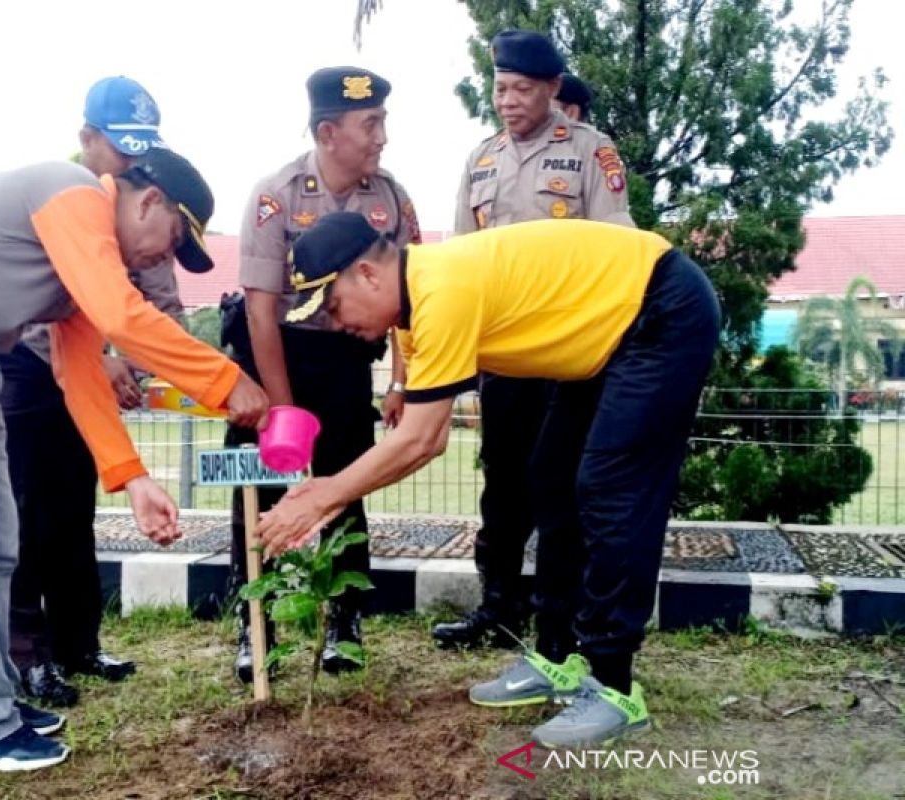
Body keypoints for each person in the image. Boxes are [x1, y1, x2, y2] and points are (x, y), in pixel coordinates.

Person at [0, 147, 267, 772]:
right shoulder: (75, 195)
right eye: (171, 239)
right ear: (148, 201)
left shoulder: (81, 260)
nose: (161, 259)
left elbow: (80, 373)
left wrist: (134, 478)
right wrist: (225, 381)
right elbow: (123, 317)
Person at [257, 212, 720, 748]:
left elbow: (422, 439)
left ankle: (614, 687)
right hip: (607, 340)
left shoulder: (441, 290)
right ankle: (558, 656)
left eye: (333, 306)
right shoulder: (414, 306)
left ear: (367, 274)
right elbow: (420, 433)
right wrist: (329, 492)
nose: (337, 325)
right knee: (550, 479)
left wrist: (324, 495)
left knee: (610, 490)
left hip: (659, 311)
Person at [433, 31, 634, 652]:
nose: (509, 101)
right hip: (504, 355)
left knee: (566, 487)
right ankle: (498, 607)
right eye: (501, 88)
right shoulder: (482, 159)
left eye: (523, 89)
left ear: (552, 89)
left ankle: (565, 621)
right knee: (505, 482)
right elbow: (459, 260)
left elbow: (618, 251)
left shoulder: (591, 153)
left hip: (570, 356)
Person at [223, 66, 422, 683]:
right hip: (276, 355)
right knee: (258, 488)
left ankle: (345, 620)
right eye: (371, 125)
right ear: (329, 131)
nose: (382, 137)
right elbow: (260, 310)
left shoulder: (389, 198)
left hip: (343, 360)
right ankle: (255, 624)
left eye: (383, 121)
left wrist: (399, 381)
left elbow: (410, 297)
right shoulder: (275, 195)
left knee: (344, 482)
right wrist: (283, 412)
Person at [0, 76, 187, 709]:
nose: (129, 164)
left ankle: (78, 641)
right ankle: (28, 654)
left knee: (73, 512)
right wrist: (104, 354)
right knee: (25, 516)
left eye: (141, 152)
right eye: (120, 148)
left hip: (92, 383)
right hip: (26, 372)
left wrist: (126, 358)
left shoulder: (146, 214)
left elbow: (161, 313)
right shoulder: (61, 196)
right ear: (86, 139)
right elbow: (35, 310)